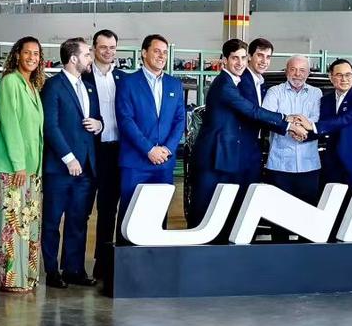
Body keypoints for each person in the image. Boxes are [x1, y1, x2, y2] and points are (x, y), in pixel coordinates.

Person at [188, 39, 306, 228]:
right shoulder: (226, 85)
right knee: (207, 211)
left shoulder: (248, 83)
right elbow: (252, 111)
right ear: (225, 59)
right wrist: (287, 122)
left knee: (226, 211)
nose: (240, 63)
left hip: (236, 155)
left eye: (242, 58)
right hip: (217, 155)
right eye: (235, 58)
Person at [41, 37, 103, 288]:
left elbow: (96, 118)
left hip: (86, 167)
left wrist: (99, 125)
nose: (91, 58)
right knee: (52, 221)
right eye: (87, 54)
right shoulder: (53, 86)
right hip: (60, 168)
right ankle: (51, 271)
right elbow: (50, 126)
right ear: (73, 58)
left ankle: (73, 269)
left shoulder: (88, 87)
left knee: (78, 221)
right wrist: (68, 158)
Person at [0, 36, 45, 293]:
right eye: (27, 52)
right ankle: (10, 279)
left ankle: (26, 277)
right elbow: (9, 124)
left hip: (31, 169)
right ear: (17, 55)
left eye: (36, 53)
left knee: (28, 224)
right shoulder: (10, 82)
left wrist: (33, 168)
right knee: (11, 226)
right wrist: (19, 164)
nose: (32, 57)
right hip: (12, 168)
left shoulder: (32, 86)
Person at [115, 34, 186, 221]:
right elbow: (125, 120)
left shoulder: (174, 85)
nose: (162, 56)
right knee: (130, 219)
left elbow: (180, 120)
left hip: (164, 163)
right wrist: (149, 149)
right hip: (135, 163)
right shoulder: (127, 83)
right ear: (144, 53)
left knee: (158, 219)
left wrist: (168, 149)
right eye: (157, 51)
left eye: (165, 52)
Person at [261, 55, 325, 242]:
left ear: (308, 73)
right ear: (286, 71)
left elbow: (317, 120)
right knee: (278, 218)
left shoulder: (316, 93)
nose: (297, 74)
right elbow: (267, 117)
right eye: (293, 69)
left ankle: (306, 255)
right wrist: (293, 127)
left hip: (309, 165)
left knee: (308, 217)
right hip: (280, 165)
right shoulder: (274, 91)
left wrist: (298, 126)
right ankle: (280, 253)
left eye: (302, 70)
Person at [81, 29, 125, 281]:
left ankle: (105, 264)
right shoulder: (83, 78)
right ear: (94, 49)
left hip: (116, 151)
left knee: (109, 210)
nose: (108, 52)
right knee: (83, 210)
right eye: (103, 47)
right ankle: (74, 266)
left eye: (112, 47)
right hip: (91, 152)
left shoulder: (124, 79)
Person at [317, 59, 352, 188]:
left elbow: (346, 119)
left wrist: (314, 127)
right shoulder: (326, 100)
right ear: (331, 77)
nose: (344, 79)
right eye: (339, 75)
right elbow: (322, 125)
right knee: (332, 199)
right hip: (331, 162)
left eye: (348, 75)